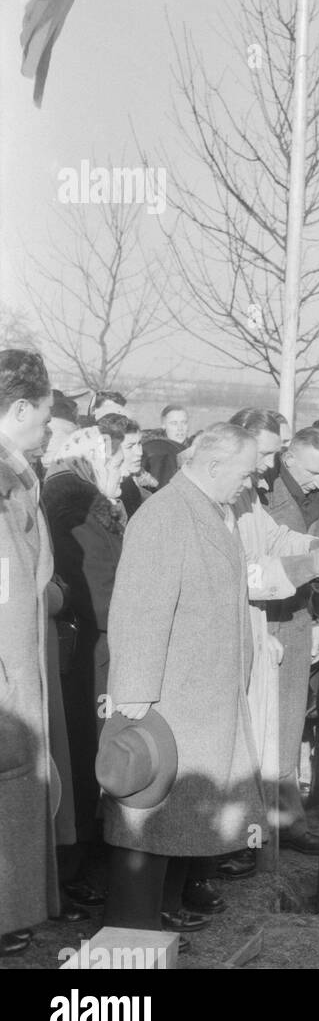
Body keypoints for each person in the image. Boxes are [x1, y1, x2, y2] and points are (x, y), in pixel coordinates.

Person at [99, 424, 269, 934]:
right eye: (246, 472)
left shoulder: (208, 509)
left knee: (179, 821)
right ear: (214, 467)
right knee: (147, 816)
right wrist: (132, 697)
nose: (251, 484)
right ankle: (133, 930)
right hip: (169, 699)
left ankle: (163, 917)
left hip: (199, 694)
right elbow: (138, 610)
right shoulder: (166, 515)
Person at [41, 426, 129, 905]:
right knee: (80, 753)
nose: (126, 466)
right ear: (96, 460)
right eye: (118, 457)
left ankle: (75, 863)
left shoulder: (76, 499)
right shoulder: (81, 507)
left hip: (86, 646)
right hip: (88, 653)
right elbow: (99, 588)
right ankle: (71, 871)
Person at [0, 349, 60, 956]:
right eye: (42, 416)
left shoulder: (18, 474)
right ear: (18, 409)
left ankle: (11, 910)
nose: (47, 429)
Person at [261, 427, 319, 853]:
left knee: (290, 721)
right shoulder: (265, 492)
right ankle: (267, 823)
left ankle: (287, 820)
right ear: (288, 459)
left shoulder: (318, 492)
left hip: (298, 616)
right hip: (266, 615)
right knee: (268, 723)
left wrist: (318, 622)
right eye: (314, 472)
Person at [97, 413, 148, 517]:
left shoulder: (130, 485)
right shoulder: (103, 492)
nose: (140, 452)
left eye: (139, 444)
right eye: (130, 447)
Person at [141, 404, 190, 491]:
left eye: (184, 422)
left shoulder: (191, 448)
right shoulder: (158, 452)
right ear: (163, 425)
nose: (180, 428)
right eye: (174, 423)